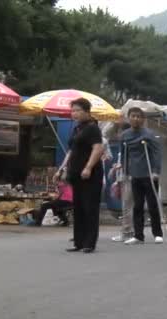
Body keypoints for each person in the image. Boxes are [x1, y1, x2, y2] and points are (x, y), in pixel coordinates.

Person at [54, 98, 104, 253]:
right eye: (73, 110)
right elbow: (71, 151)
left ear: (87, 111)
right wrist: (61, 169)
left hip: (90, 174)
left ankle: (89, 243)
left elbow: (98, 148)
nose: (74, 113)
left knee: (90, 207)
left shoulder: (93, 128)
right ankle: (79, 242)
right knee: (79, 207)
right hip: (75, 173)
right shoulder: (77, 129)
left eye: (77, 110)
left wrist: (88, 167)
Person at [119, 107, 164, 245]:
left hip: (149, 174)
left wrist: (156, 171)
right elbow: (123, 152)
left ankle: (158, 233)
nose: (136, 119)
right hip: (135, 174)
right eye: (133, 116)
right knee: (137, 205)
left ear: (143, 119)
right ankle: (138, 236)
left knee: (152, 204)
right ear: (128, 118)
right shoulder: (125, 135)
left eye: (139, 117)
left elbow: (156, 153)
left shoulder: (149, 134)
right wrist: (125, 171)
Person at [110, 120, 134, 242]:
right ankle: (128, 231)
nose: (118, 134)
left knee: (127, 206)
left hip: (128, 177)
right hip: (123, 177)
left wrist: (119, 166)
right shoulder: (124, 145)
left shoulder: (128, 144)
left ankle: (127, 232)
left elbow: (129, 162)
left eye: (119, 131)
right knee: (127, 206)